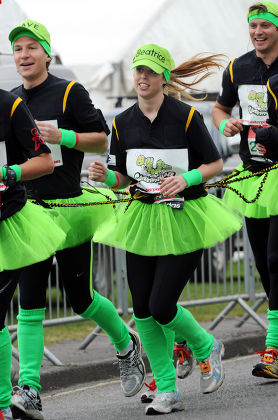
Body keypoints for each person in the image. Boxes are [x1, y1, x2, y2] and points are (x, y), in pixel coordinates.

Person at [89, 43, 242, 415]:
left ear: (164, 78)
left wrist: (185, 178)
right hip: (142, 218)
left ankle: (206, 346)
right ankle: (167, 390)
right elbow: (123, 178)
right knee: (142, 309)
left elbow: (213, 163)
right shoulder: (122, 121)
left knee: (161, 305)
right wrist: (104, 176)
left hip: (186, 216)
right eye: (138, 71)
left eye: (150, 72)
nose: (142, 77)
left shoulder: (186, 117)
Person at [8, 19, 145, 420]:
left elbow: (102, 139)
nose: (24, 55)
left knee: (80, 299)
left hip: (68, 209)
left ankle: (126, 344)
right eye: (17, 49)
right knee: (29, 304)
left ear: (46, 53)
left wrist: (61, 136)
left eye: (32, 48)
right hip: (29, 213)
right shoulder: (14, 100)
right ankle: (30, 389)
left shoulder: (69, 91)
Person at [211, 0, 278, 379]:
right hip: (253, 178)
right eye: (252, 25)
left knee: (275, 260)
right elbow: (220, 109)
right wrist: (226, 125)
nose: (257, 32)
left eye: (265, 25)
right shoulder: (238, 67)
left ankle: (273, 348)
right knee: (265, 267)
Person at [0, 88, 67, 420]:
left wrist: (8, 173)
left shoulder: (9, 105)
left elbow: (45, 161)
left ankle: (5, 404)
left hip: (9, 223)